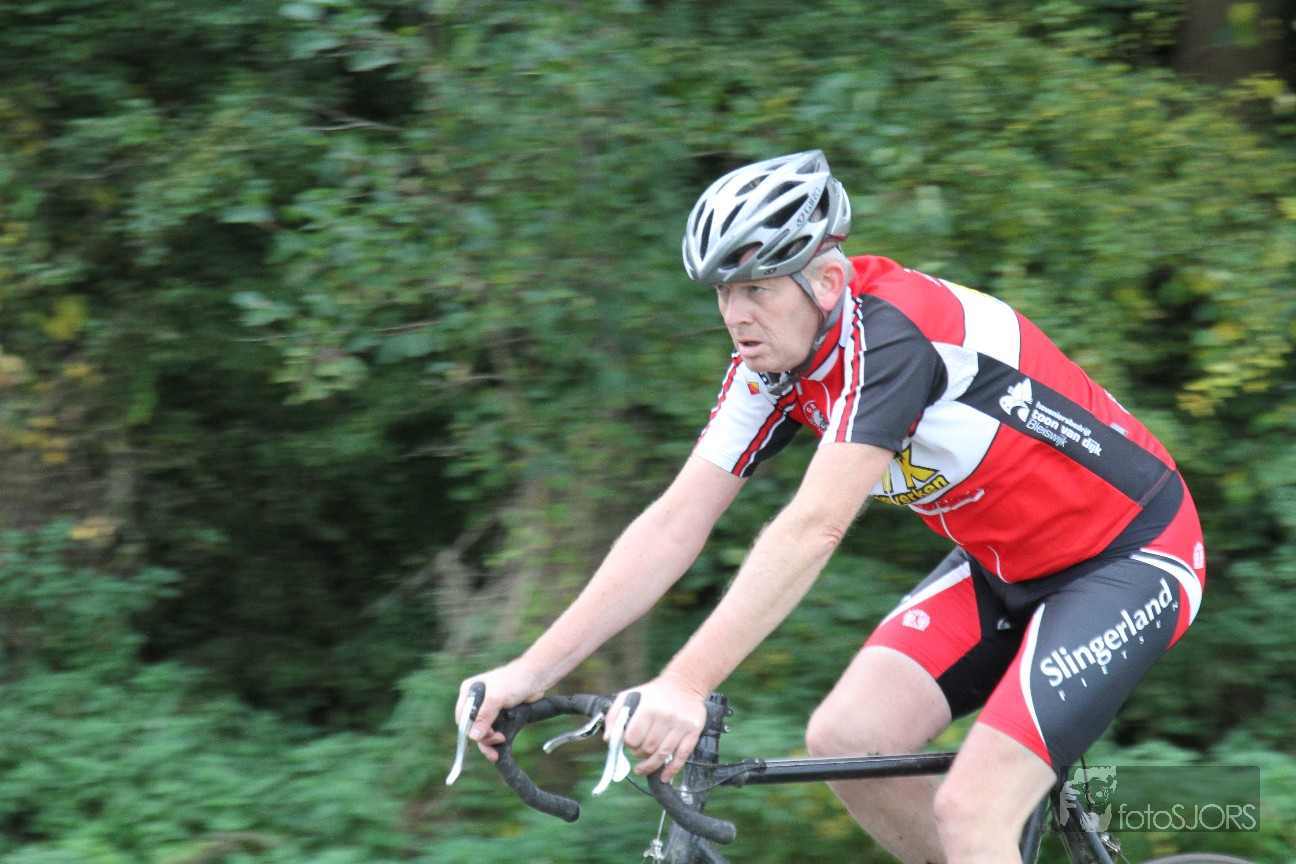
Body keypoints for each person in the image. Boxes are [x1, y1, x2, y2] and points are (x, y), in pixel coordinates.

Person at [455, 150, 1206, 864]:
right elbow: (674, 522)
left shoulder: (895, 334)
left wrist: (685, 684)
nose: (735, 315)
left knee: (973, 809)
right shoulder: (773, 367)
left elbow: (813, 527)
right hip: (1003, 564)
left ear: (827, 279)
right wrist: (531, 670)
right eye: (722, 292)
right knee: (849, 738)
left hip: (1132, 554)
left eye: (757, 288)